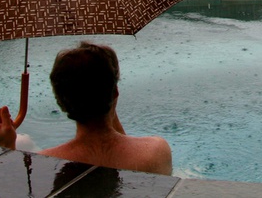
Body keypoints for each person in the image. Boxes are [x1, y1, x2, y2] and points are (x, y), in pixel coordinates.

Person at [39, 42, 172, 175]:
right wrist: (110, 100)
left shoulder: (44, 164)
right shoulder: (155, 152)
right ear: (115, 93)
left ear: (60, 101)